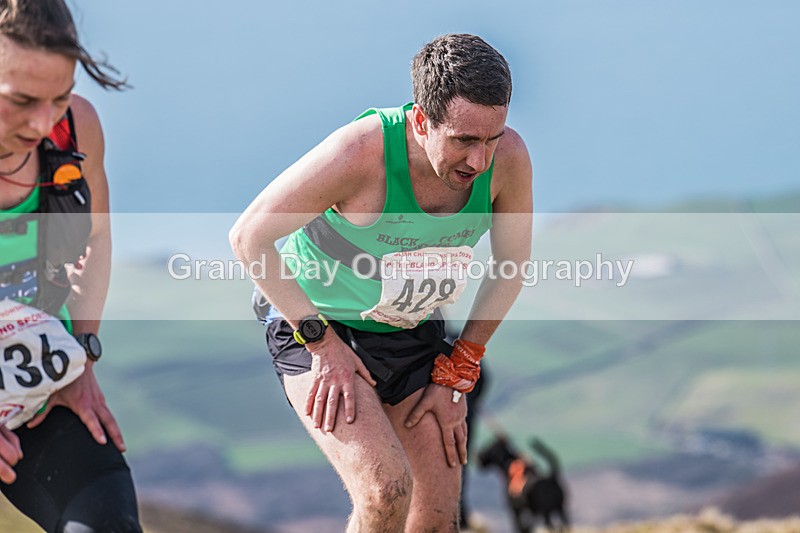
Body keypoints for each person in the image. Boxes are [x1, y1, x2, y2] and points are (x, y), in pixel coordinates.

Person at [231, 33, 532, 532]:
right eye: (463, 140)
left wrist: (461, 368)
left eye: (491, 139)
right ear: (420, 120)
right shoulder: (361, 153)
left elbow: (512, 263)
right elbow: (249, 238)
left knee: (437, 519)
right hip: (317, 324)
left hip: (410, 329)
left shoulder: (510, 159)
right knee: (385, 492)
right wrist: (323, 345)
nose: (479, 161)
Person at [0, 1, 141, 531]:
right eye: (21, 101)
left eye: (59, 97)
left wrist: (81, 356)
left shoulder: (75, 129)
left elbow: (97, 238)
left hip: (39, 383)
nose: (43, 122)